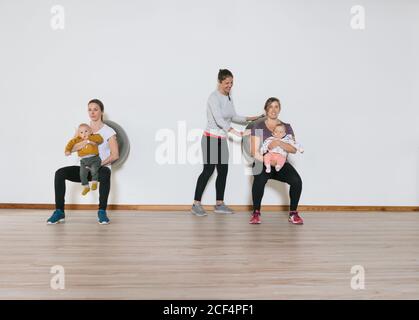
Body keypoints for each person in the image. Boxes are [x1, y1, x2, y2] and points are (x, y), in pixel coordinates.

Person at [191, 69, 263, 216]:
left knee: (223, 171)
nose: (229, 85)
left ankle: (219, 204)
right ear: (220, 82)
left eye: (231, 83)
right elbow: (219, 120)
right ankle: (196, 204)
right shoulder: (213, 97)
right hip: (210, 138)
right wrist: (236, 133)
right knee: (208, 171)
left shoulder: (228, 97)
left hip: (221, 140)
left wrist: (252, 118)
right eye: (226, 83)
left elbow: (234, 116)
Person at [47, 99, 119, 225]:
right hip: (83, 168)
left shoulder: (108, 131)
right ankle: (59, 211)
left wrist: (97, 166)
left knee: (106, 173)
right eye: (90, 109)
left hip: (99, 167)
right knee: (60, 173)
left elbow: (115, 155)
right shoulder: (82, 129)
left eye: (95, 109)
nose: (92, 112)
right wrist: (85, 142)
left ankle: (102, 212)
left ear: (101, 111)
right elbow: (71, 148)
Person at [249, 97, 303, 225]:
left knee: (297, 181)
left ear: (279, 109)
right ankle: (256, 213)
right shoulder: (258, 126)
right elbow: (254, 151)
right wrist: (267, 161)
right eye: (270, 107)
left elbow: (293, 149)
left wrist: (278, 142)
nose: (273, 109)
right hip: (263, 161)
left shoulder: (286, 127)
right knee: (259, 179)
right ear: (266, 109)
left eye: (276, 107)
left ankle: (293, 214)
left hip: (281, 162)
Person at [64, 123, 104, 195]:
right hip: (84, 161)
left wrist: (89, 139)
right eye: (81, 132)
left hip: (94, 158)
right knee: (82, 173)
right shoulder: (77, 140)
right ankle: (86, 186)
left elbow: (100, 139)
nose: (84, 134)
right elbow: (70, 143)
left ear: (91, 131)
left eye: (86, 131)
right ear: (79, 134)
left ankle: (94, 182)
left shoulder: (94, 137)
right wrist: (67, 150)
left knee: (94, 169)